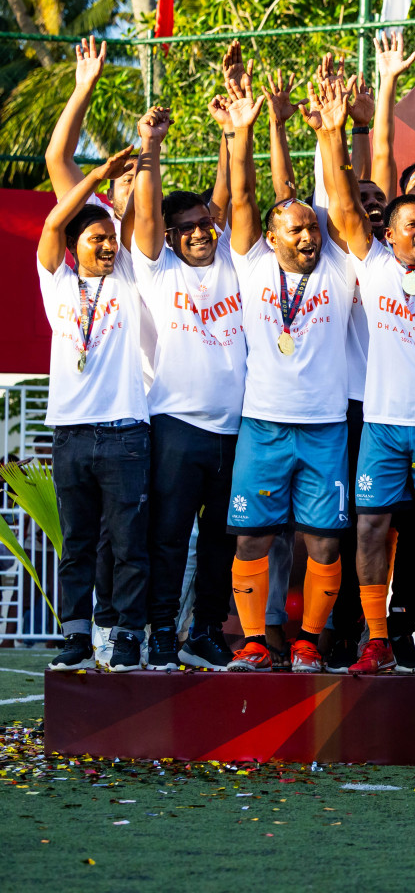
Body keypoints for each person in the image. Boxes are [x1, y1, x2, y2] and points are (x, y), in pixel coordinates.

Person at [326, 89, 415, 679]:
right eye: (411, 223)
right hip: (382, 424)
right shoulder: (373, 262)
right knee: (371, 528)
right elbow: (344, 199)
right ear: (389, 231)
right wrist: (336, 132)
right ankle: (376, 640)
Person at [223, 74, 361, 673]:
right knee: (253, 537)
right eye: (295, 229)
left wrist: (331, 134)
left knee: (323, 540)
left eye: (312, 227)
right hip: (263, 426)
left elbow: (339, 192)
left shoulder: (337, 265)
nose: (307, 235)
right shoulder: (250, 262)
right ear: (272, 237)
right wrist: (247, 129)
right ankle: (256, 640)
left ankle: (308, 640)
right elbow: (246, 197)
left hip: (326, 426)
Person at [131, 101, 248, 671]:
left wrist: (231, 134)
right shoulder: (157, 267)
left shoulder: (229, 255)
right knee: (169, 538)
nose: (202, 231)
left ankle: (204, 631)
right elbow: (148, 216)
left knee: (222, 544)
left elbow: (226, 197)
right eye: (189, 228)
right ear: (170, 237)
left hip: (234, 428)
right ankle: (159, 633)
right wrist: (150, 146)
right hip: (176, 424)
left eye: (206, 223)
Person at [42, 143, 147, 672]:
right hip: (71, 433)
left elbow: (132, 226)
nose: (108, 246)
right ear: (73, 245)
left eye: (111, 238)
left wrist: (127, 180)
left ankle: (128, 634)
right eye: (97, 238)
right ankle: (77, 637)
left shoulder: (127, 275)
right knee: (78, 543)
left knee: (128, 543)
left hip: (126, 431)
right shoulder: (56, 281)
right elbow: (53, 223)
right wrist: (98, 178)